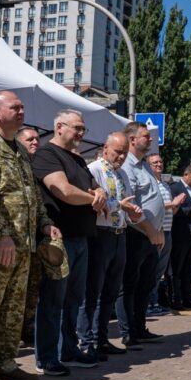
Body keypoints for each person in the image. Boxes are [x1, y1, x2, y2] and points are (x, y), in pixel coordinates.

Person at [0, 91, 60, 380]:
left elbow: (30, 194)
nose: (22, 111)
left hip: (23, 245)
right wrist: (1, 235)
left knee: (13, 309)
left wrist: (45, 225)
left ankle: (6, 363)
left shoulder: (18, 150)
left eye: (22, 107)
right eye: (14, 107)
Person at [32, 108, 102, 374]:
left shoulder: (78, 159)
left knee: (74, 299)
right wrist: (93, 198)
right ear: (59, 127)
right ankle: (47, 357)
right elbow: (62, 190)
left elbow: (95, 187)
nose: (82, 134)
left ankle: (68, 349)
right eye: (78, 128)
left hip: (82, 237)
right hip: (58, 241)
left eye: (84, 129)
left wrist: (96, 193)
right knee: (53, 300)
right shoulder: (46, 155)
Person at [80, 132, 142, 360]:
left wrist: (134, 214)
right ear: (105, 148)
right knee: (93, 290)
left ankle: (102, 338)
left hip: (120, 233)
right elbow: (96, 203)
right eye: (117, 152)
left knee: (111, 291)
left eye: (125, 152)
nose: (121, 157)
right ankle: (86, 341)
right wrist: (121, 207)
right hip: (100, 234)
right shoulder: (94, 170)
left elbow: (128, 205)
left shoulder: (123, 174)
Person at [117, 122, 166, 348]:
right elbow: (132, 207)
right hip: (136, 234)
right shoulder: (127, 166)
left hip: (151, 235)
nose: (150, 139)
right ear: (132, 140)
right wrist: (151, 230)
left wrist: (159, 231)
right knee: (130, 285)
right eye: (145, 136)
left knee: (146, 284)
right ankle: (128, 332)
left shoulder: (144, 165)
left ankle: (140, 327)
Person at [147, 153, 186, 314]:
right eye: (155, 162)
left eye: (160, 161)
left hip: (167, 231)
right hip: (157, 232)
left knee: (160, 271)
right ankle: (149, 304)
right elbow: (155, 206)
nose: (159, 164)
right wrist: (173, 203)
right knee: (152, 270)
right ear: (148, 166)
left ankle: (154, 302)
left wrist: (176, 206)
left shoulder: (165, 184)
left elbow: (168, 210)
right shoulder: (149, 183)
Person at [14, 127, 42, 346]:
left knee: (31, 290)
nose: (35, 142)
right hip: (13, 241)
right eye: (29, 139)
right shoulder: (15, 164)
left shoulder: (33, 167)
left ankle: (27, 329)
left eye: (37, 139)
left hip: (33, 241)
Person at [169, 164, 191, 310]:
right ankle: (176, 300)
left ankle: (187, 299)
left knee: (190, 270)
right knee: (177, 269)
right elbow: (173, 211)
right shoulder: (175, 188)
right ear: (186, 174)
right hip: (180, 234)